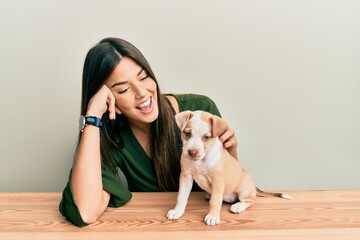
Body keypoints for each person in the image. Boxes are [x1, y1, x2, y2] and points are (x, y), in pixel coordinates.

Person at [59, 37, 238, 227]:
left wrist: (232, 151)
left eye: (144, 77)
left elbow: (230, 189)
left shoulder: (200, 110)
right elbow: (85, 212)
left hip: (205, 227)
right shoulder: (112, 137)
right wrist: (93, 115)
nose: (142, 92)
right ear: (108, 98)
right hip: (150, 228)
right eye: (124, 89)